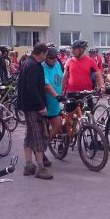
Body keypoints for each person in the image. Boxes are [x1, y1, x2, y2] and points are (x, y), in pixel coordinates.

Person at [17, 43, 53, 180]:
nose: (46, 57)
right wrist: (41, 106)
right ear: (42, 53)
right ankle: (40, 168)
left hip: (27, 106)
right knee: (38, 136)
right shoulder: (33, 66)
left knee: (29, 135)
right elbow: (31, 88)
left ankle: (28, 166)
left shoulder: (27, 63)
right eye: (46, 54)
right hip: (33, 107)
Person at [41, 46, 64, 164]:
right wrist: (56, 95)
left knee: (58, 126)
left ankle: (43, 145)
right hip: (45, 104)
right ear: (45, 57)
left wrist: (64, 91)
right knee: (43, 131)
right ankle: (41, 154)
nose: (54, 60)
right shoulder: (41, 67)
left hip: (55, 103)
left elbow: (62, 78)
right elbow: (46, 85)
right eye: (51, 58)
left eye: (56, 57)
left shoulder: (57, 64)